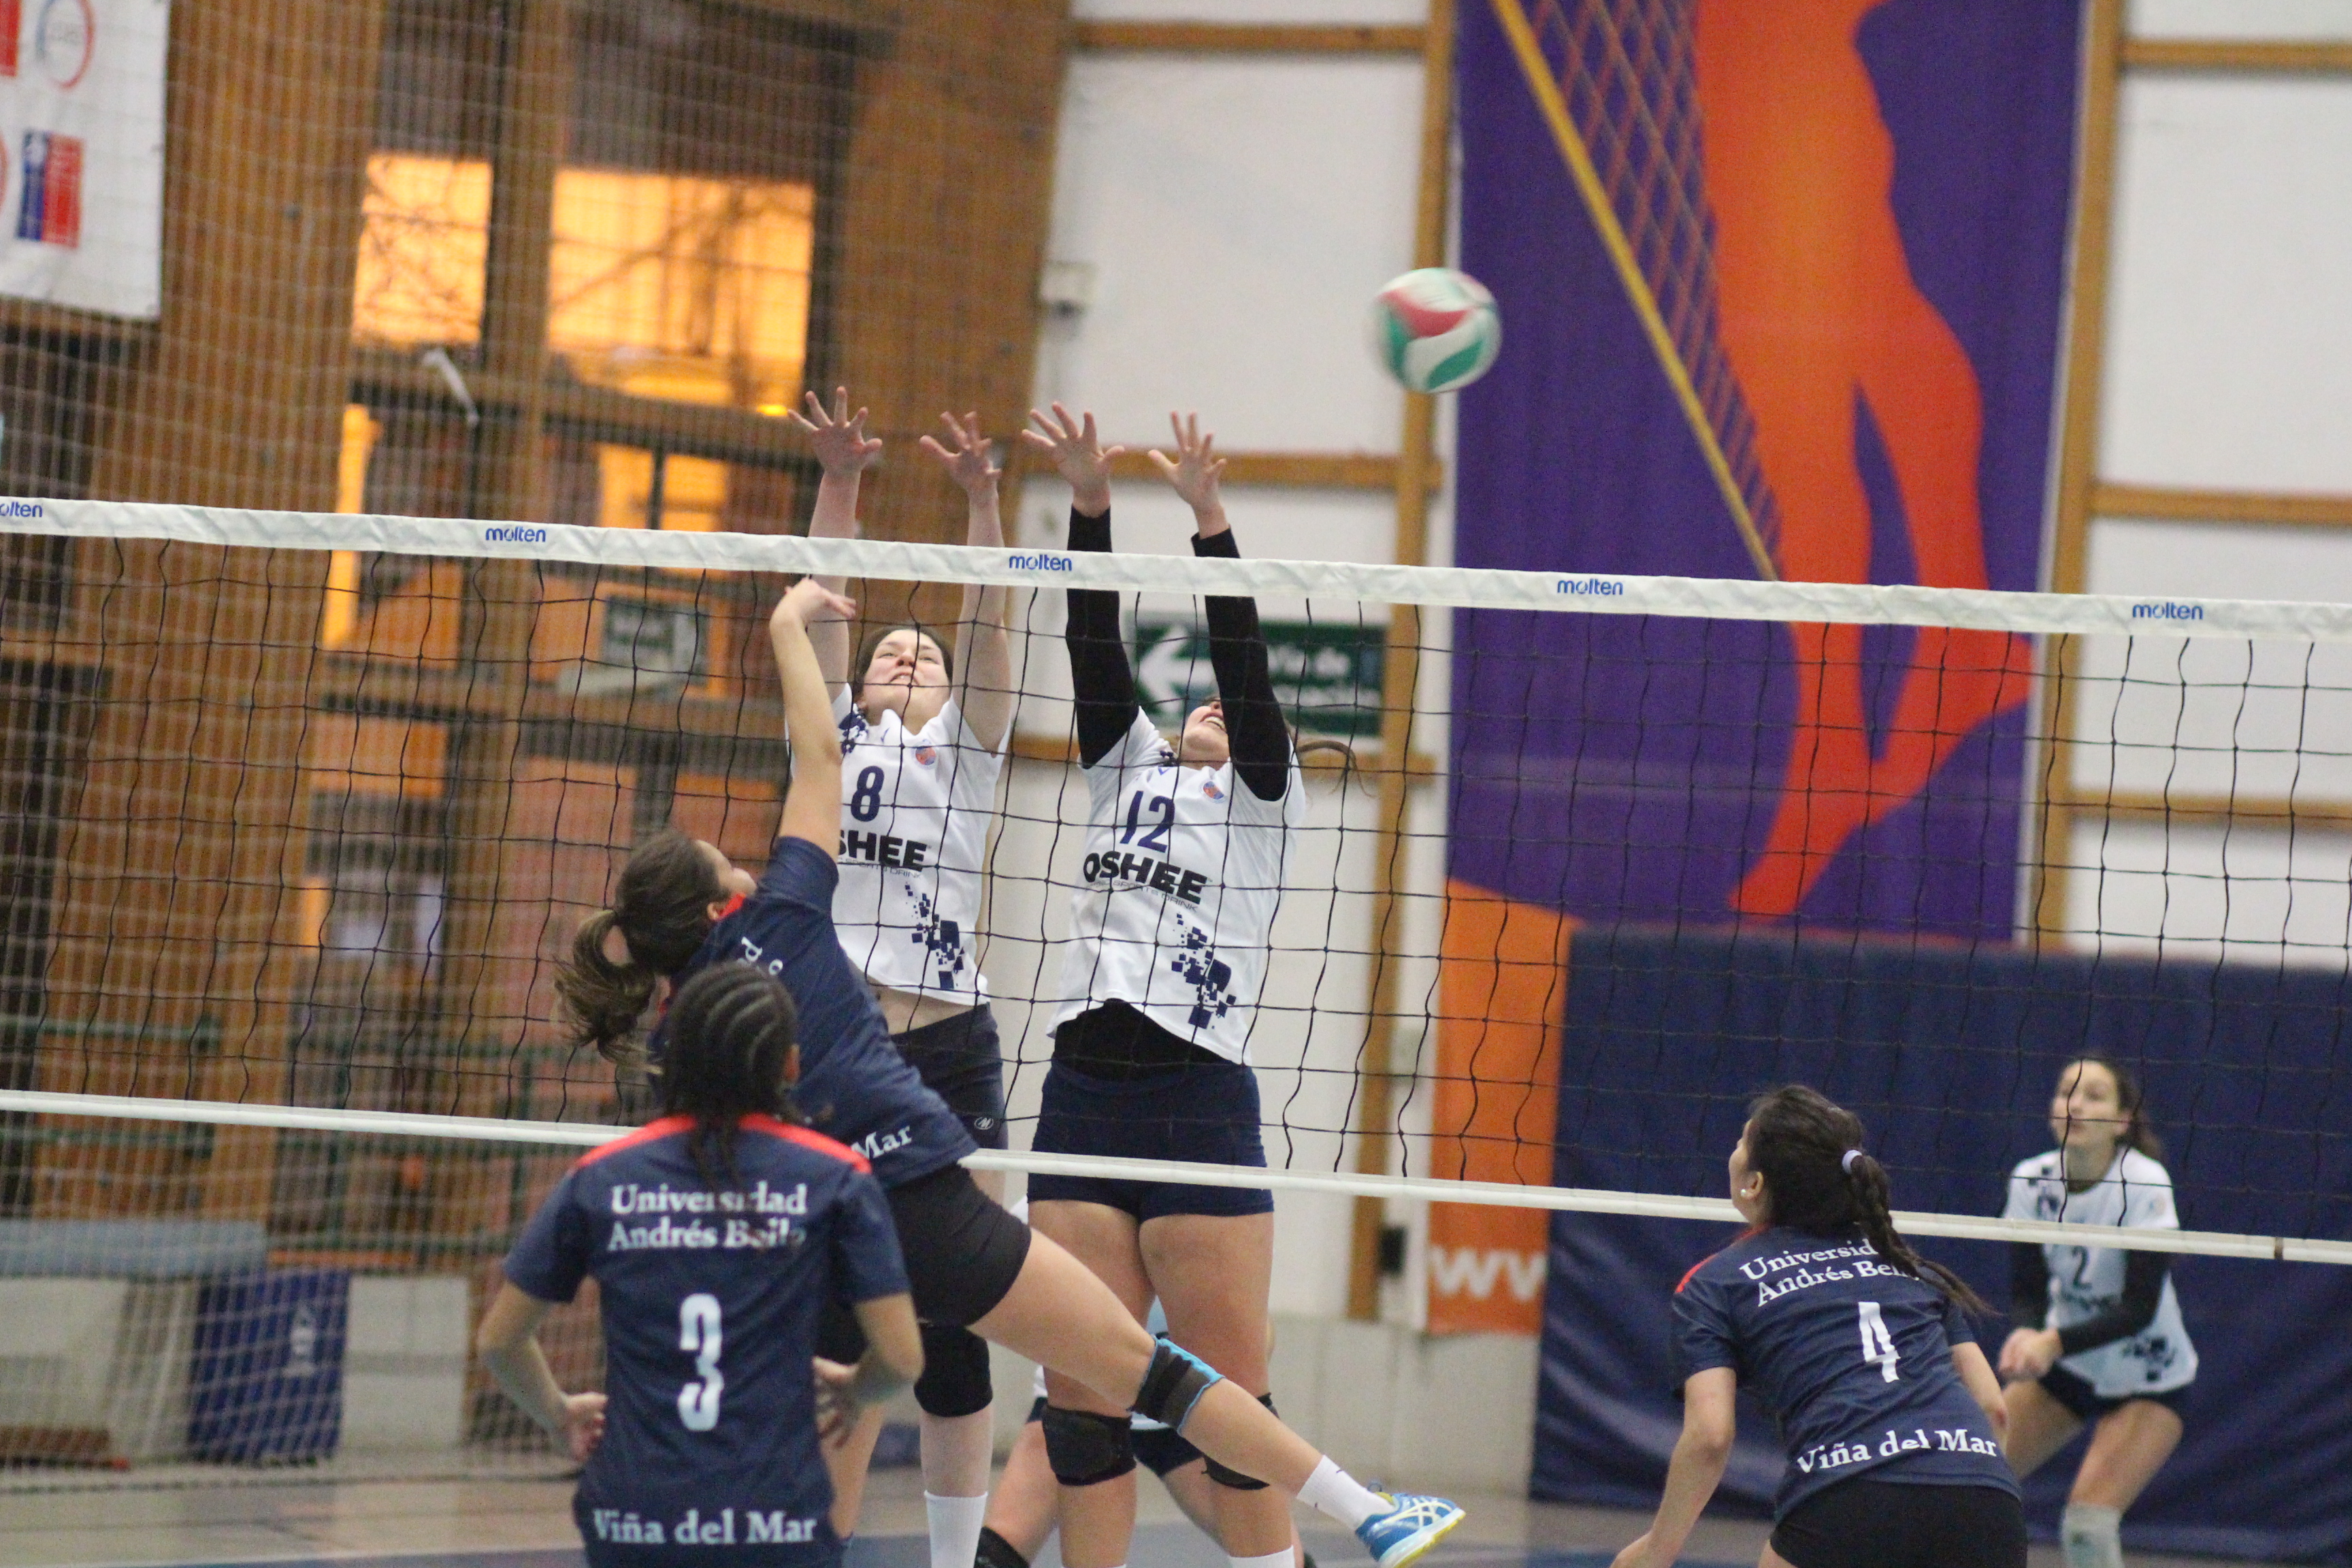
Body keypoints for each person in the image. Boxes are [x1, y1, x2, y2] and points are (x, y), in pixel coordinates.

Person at [556, 576, 1466, 1568]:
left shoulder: (685, 1023)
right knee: (1138, 1370)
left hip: (825, 1206)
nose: (737, 858)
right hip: (930, 1198)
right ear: (716, 902)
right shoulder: (790, 908)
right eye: (717, 858)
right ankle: (1365, 1511)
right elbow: (818, 751)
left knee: (860, 1396)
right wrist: (784, 624)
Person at [1017, 405, 1324, 1568]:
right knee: (1081, 1405)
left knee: (1231, 1408)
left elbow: (1242, 660)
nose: (1210, 707)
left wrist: (1209, 520)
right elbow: (1090, 638)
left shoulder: (1262, 798)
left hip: (1195, 1102)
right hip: (1082, 1096)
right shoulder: (1123, 767)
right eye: (1192, 701)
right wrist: (1090, 505)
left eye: (1229, 713)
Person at [1692, 0, 2035, 917]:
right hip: (1772, 79)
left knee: (1803, 417)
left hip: (1783, 86)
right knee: (1878, 314)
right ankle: (1968, 641)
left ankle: (1832, 748)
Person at [783, 388, 1019, 1568]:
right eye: (890, 649)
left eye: (922, 656)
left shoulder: (965, 753)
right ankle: (818, 1545)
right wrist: (841, 482)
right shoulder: (830, 740)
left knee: (955, 1319)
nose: (906, 654)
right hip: (839, 1045)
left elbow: (987, 616)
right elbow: (823, 605)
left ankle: (953, 1556)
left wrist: (982, 501)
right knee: (836, 1314)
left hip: (947, 1047)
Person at [476, 960, 925, 1568]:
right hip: (774, 1518)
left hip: (635, 1517)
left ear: (671, 1060)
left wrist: (556, 1414)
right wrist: (855, 1389)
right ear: (791, 1066)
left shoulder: (601, 1176)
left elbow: (500, 1342)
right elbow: (901, 1359)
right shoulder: (837, 1178)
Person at [1612, 1085, 2023, 1568]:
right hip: (1985, 1498)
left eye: (1741, 1142)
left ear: (1754, 1184)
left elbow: (1710, 1436)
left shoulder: (1717, 1282)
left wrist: (1657, 1552)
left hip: (1851, 1494)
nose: (1734, 1151)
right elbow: (1993, 1410)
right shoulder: (1909, 1267)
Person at [1997, 1058, 2195, 1568]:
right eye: (2068, 1092)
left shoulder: (2144, 1181)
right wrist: (2025, 1332)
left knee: (2086, 1528)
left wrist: (2049, 1342)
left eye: (2094, 1095)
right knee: (1966, 1479)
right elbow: (2029, 1286)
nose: (2077, 1105)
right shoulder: (2031, 1179)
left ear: (2122, 1120)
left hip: (2148, 1374)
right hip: (2069, 1365)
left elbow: (2139, 1310)